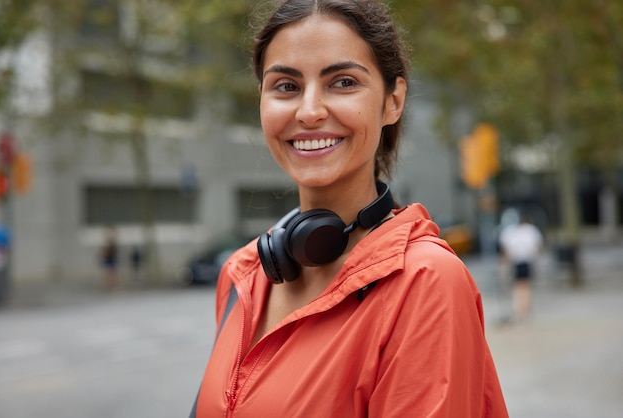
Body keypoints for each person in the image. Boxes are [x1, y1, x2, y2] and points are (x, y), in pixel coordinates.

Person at [191, 1, 508, 416]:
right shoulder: (242, 273)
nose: (309, 112)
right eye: (286, 86)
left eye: (342, 82)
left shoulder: (426, 283)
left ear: (393, 101)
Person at [498, 212, 544, 322]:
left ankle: (520, 308)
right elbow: (537, 246)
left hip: (516, 261)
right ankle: (524, 308)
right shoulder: (531, 231)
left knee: (518, 286)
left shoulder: (510, 232)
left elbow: (505, 248)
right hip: (526, 260)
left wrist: (505, 262)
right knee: (525, 286)